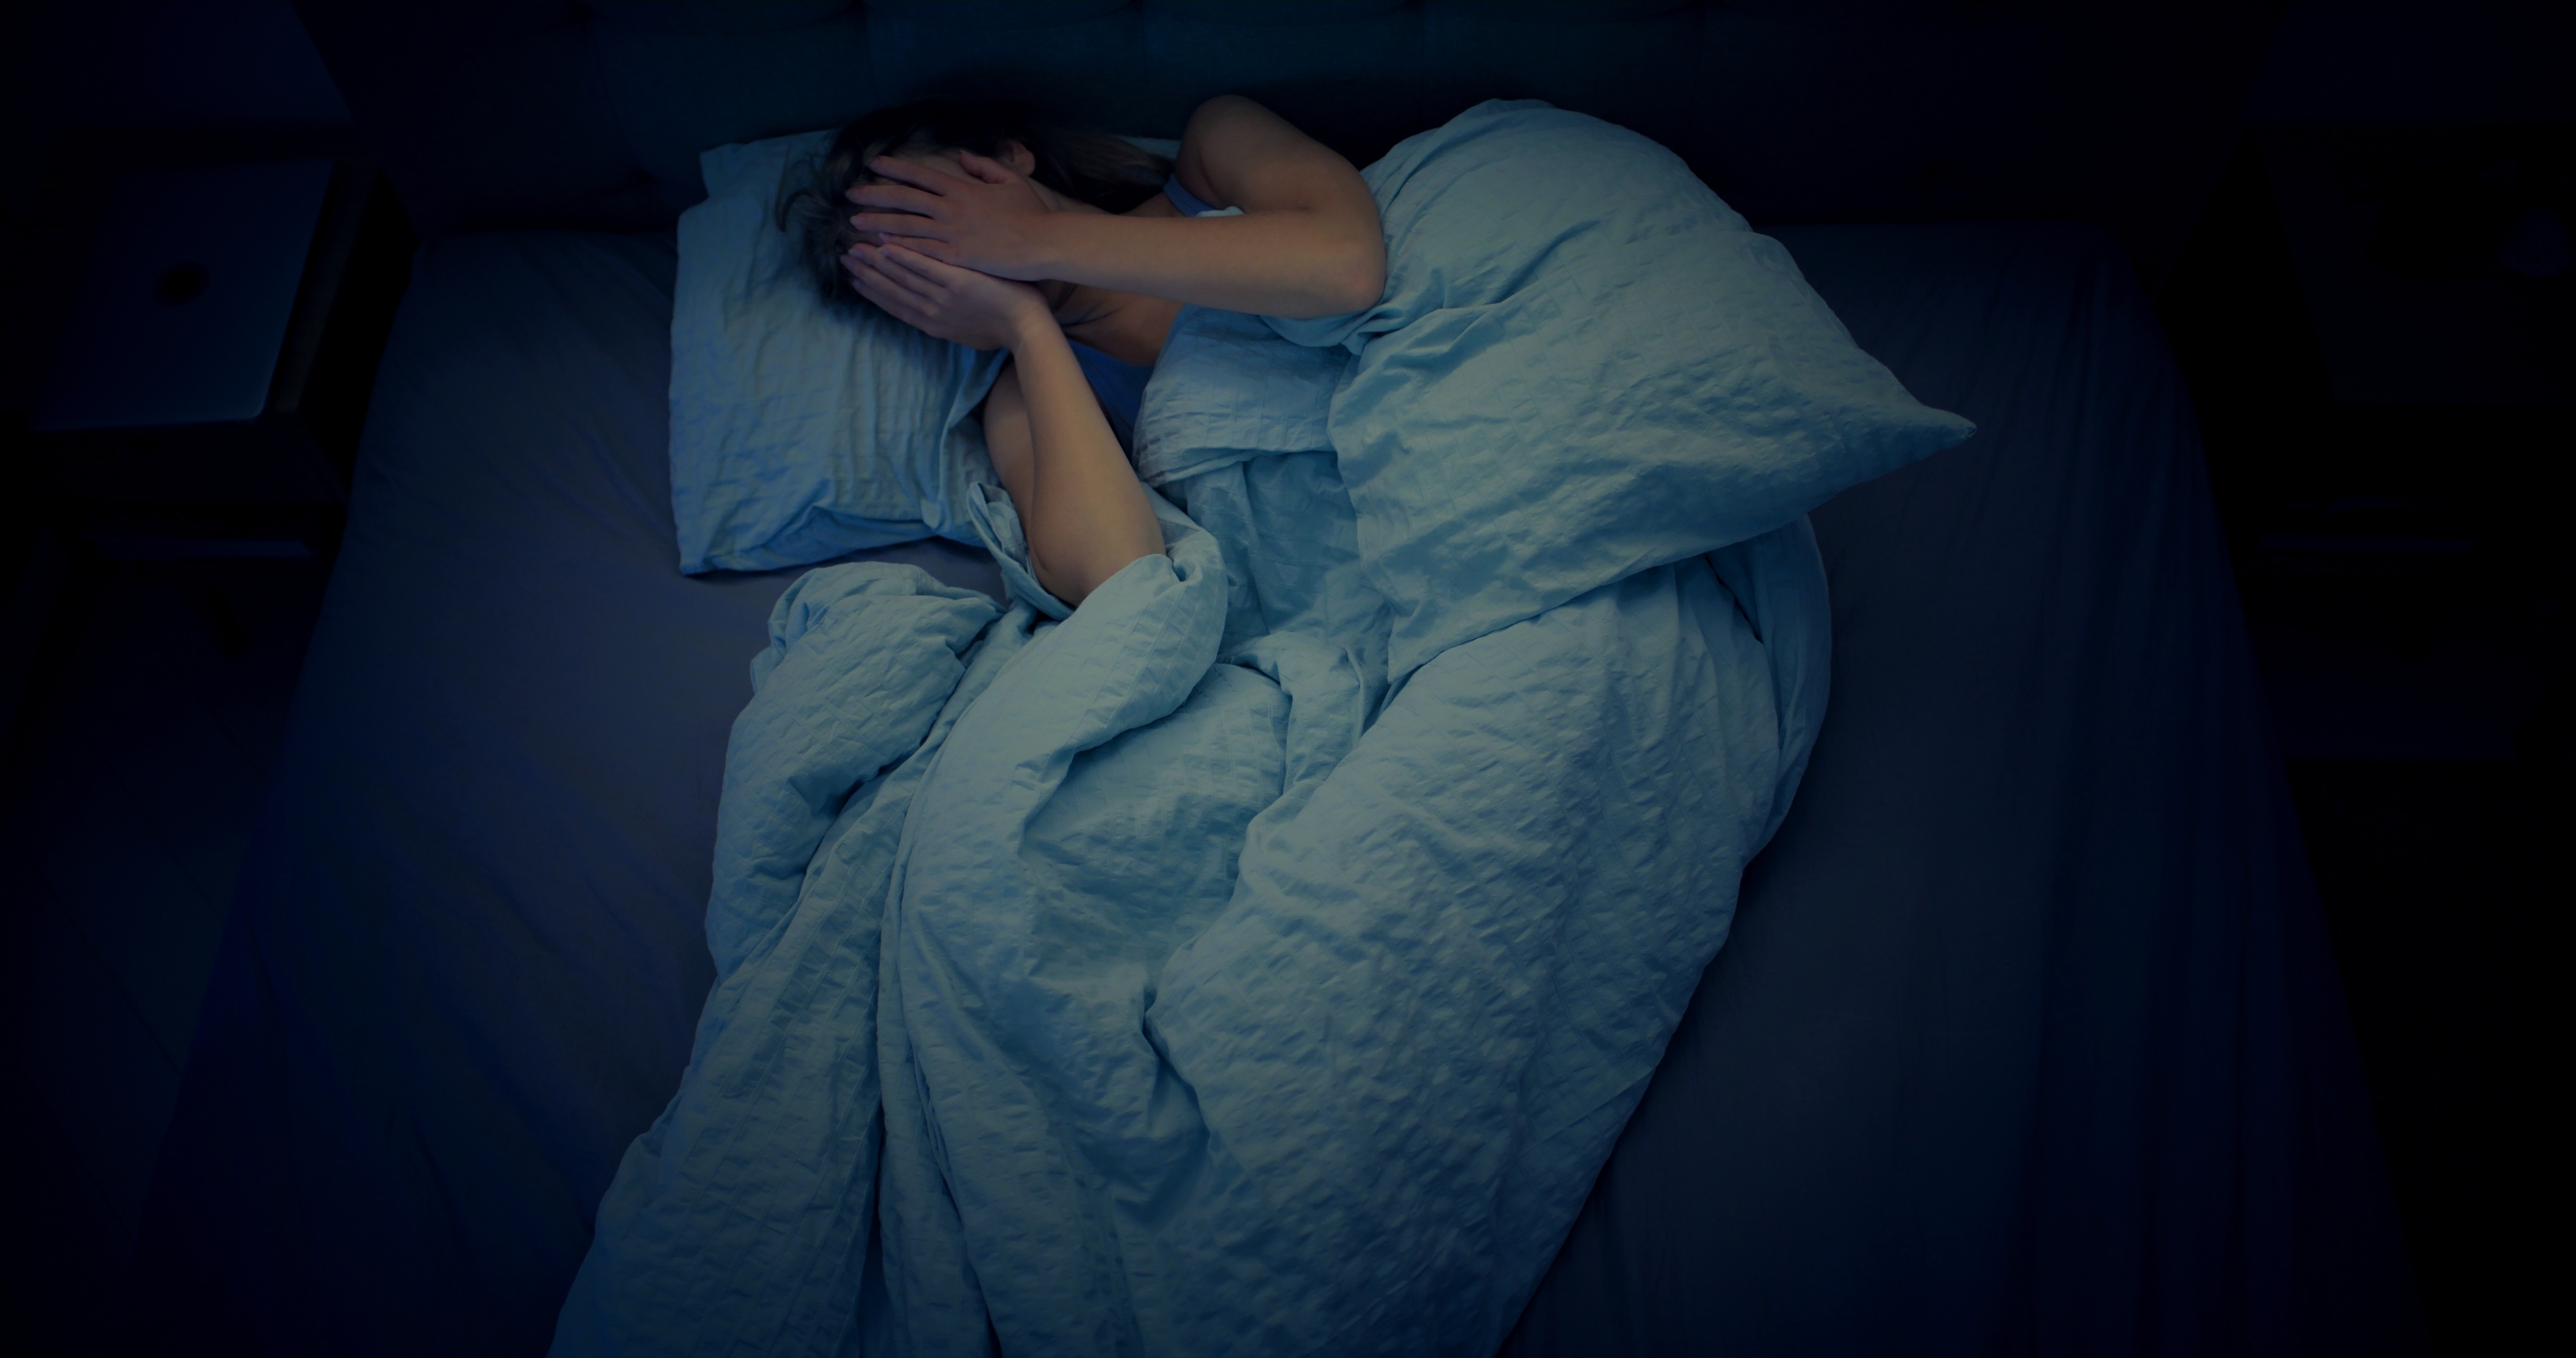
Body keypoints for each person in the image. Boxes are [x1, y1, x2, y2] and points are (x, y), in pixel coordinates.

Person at [784, 95, 1384, 606]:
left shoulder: (1211, 154)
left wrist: (1036, 242)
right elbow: (1120, 576)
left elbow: (1347, 268)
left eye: (937, 215)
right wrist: (1026, 325)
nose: (955, 254)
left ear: (1008, 160)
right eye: (917, 270)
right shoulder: (1029, 394)